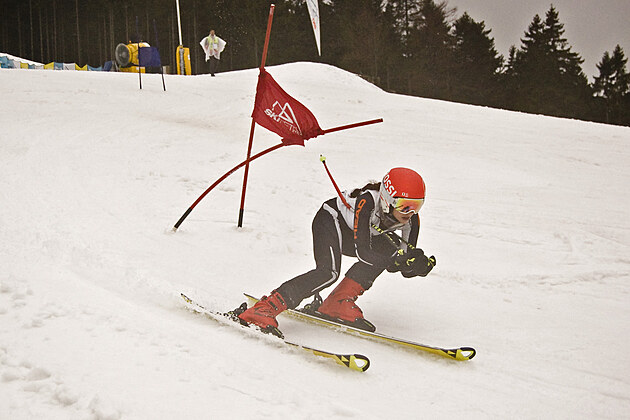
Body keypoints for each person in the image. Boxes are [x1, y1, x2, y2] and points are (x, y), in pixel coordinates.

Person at [237, 167, 436, 336]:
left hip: (357, 236)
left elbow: (399, 263)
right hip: (330, 222)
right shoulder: (367, 201)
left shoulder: (411, 221)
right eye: (404, 206)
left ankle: (337, 303)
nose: (409, 213)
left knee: (386, 247)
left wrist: (415, 266)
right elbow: (364, 253)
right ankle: (264, 309)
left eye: (417, 206)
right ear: (386, 200)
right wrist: (396, 260)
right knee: (328, 273)